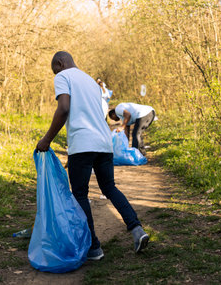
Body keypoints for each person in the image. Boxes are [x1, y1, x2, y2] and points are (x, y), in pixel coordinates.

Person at [36, 51, 149, 260]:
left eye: (55, 69)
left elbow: (63, 109)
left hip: (82, 144)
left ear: (60, 63)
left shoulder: (62, 76)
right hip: (104, 143)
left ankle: (93, 248)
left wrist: (46, 140)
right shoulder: (90, 81)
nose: (55, 74)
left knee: (80, 194)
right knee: (110, 188)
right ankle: (137, 230)